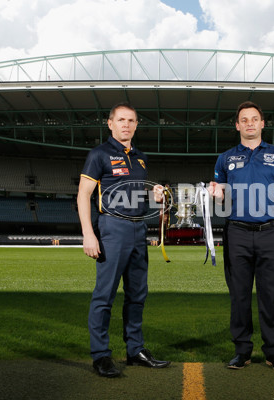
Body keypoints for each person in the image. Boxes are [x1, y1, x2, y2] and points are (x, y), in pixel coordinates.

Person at [77, 102, 170, 378]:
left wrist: (155, 197)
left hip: (138, 229)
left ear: (136, 125)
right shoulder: (99, 154)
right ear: (110, 123)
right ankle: (101, 356)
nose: (126, 125)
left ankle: (135, 350)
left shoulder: (141, 158)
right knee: (104, 296)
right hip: (112, 230)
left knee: (137, 294)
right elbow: (83, 195)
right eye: (121, 120)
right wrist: (88, 234)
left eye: (131, 120)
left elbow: (136, 195)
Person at [208, 101, 274, 372]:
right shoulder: (225, 158)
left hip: (271, 232)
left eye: (254, 119)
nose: (249, 123)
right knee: (238, 296)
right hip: (236, 232)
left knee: (270, 295)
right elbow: (222, 199)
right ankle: (242, 351)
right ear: (237, 125)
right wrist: (217, 194)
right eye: (244, 119)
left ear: (262, 123)